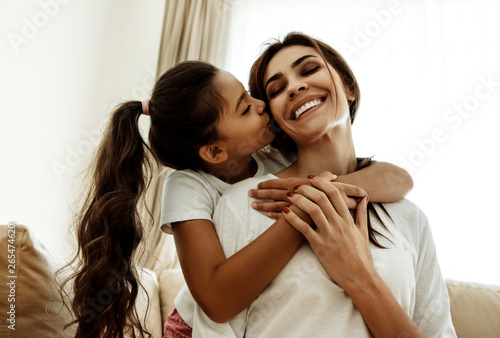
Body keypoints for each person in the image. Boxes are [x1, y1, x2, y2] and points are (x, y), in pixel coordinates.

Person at [61, 60, 412, 337]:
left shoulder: (273, 156)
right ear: (214, 151)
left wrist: (325, 190)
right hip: (194, 329)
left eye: (251, 96)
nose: (262, 105)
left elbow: (398, 178)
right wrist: (305, 208)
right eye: (245, 108)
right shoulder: (187, 186)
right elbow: (215, 299)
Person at [183, 32, 455, 337]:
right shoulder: (244, 202)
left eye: (309, 70)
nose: (296, 87)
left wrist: (359, 276)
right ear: (275, 121)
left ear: (348, 87)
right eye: (277, 89)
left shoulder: (410, 218)